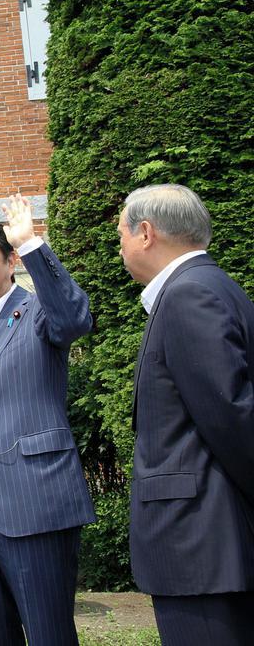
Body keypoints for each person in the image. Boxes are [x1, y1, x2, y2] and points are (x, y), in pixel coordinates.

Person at [0, 195, 95, 646]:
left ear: (10, 261)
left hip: (35, 503)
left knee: (49, 634)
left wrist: (30, 242)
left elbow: (75, 317)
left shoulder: (39, 312)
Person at [117, 184, 254, 644]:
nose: (120, 248)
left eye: (121, 234)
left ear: (146, 233)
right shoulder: (213, 286)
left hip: (199, 546)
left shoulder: (187, 295)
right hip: (210, 543)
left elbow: (231, 415)